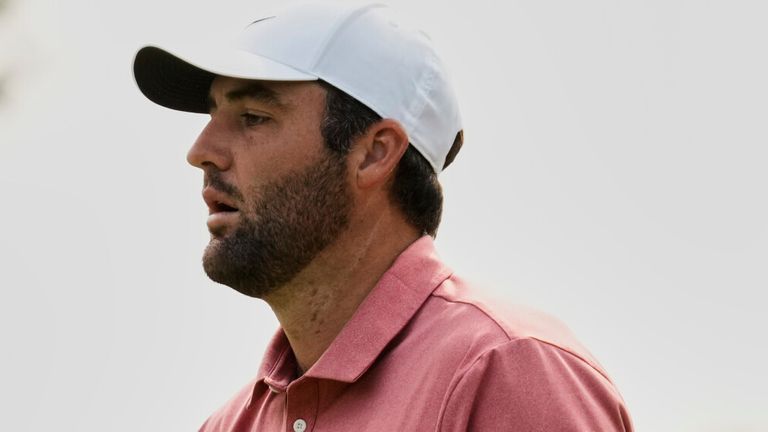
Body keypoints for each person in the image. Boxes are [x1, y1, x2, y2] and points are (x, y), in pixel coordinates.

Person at [133, 2, 633, 431]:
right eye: (212, 116)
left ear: (375, 153)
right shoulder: (229, 424)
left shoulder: (506, 371)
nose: (201, 152)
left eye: (254, 118)